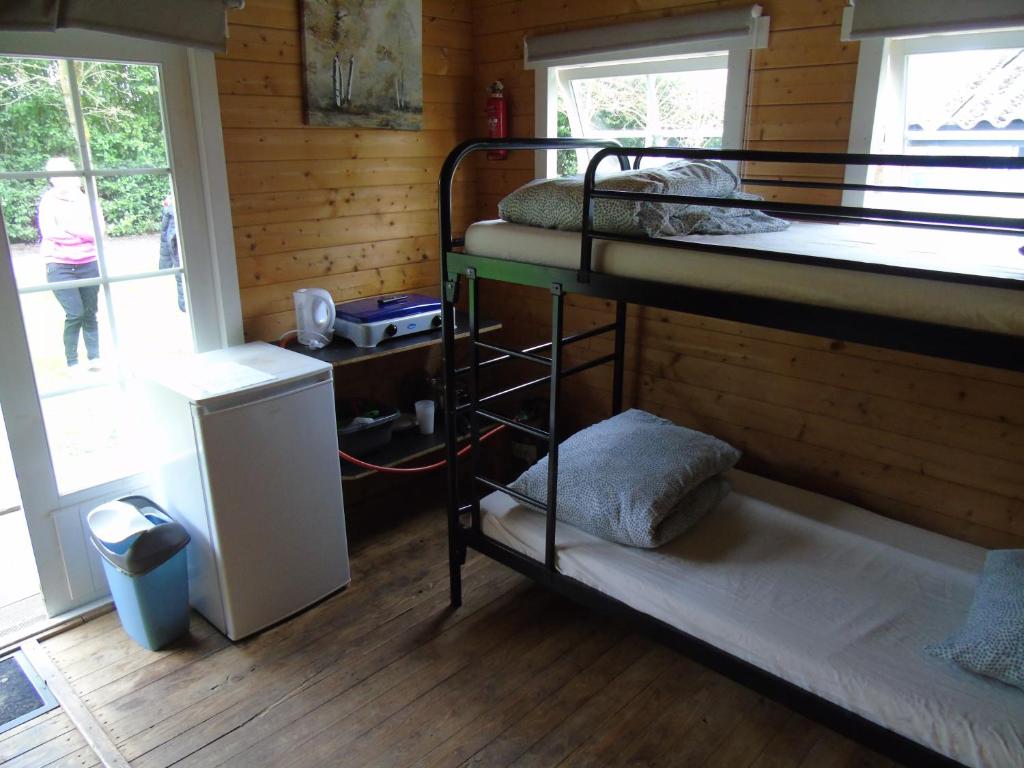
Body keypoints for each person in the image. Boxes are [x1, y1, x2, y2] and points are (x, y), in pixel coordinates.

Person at [37, 157, 101, 370]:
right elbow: (50, 233)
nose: (63, 180)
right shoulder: (48, 201)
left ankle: (94, 358)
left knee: (90, 312)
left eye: (67, 174)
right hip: (60, 266)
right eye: (57, 175)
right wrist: (80, 232)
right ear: (52, 179)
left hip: (88, 262)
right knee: (75, 313)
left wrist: (68, 229)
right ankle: (72, 361)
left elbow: (97, 233)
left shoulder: (86, 200)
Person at [159, 195, 185, 312]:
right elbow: (166, 237)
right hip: (179, 255)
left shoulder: (170, 206)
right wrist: (165, 264)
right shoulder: (170, 208)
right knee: (182, 281)